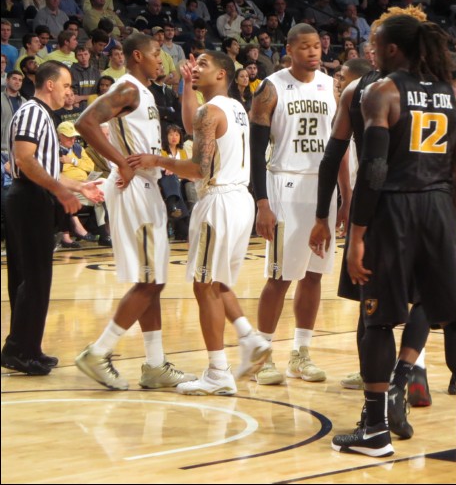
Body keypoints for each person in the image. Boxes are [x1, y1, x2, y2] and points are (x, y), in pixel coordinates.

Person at [331, 14, 456, 459]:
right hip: (441, 210)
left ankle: (374, 430)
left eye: (375, 42)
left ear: (391, 49)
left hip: (392, 209)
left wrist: (357, 235)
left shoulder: (381, 92)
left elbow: (373, 169)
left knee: (379, 319)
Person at [128, 52, 270, 395]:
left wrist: (158, 159)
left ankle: (218, 371)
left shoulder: (212, 111)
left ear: (222, 73)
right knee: (217, 281)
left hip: (218, 201)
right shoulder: (235, 106)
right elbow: (197, 124)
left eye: (203, 64)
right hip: (241, 201)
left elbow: (199, 169)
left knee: (203, 285)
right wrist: (188, 86)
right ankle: (249, 338)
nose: (197, 68)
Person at [73, 33, 196, 391]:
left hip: (146, 184)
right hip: (133, 186)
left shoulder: (145, 92)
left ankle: (155, 365)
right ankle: (98, 352)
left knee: (154, 279)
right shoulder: (127, 89)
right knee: (149, 280)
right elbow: (84, 122)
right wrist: (120, 164)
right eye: (158, 54)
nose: (162, 60)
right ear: (138, 56)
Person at [0, 61, 104, 375]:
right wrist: (60, 190)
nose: (70, 93)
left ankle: (23, 347)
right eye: (67, 85)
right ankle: (21, 350)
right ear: (49, 85)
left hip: (32, 195)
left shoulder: (42, 114)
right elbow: (25, 159)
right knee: (34, 278)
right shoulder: (33, 112)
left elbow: (46, 168)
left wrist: (79, 185)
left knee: (29, 277)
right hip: (29, 197)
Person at [249, 24, 339, 386]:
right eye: (305, 47)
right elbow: (255, 150)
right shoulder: (271, 87)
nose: (313, 52)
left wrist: (344, 196)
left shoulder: (331, 86)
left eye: (317, 46)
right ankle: (262, 356)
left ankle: (301, 354)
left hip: (323, 186)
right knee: (279, 276)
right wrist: (261, 202)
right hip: (284, 183)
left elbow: (339, 143)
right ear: (289, 50)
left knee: (314, 273)